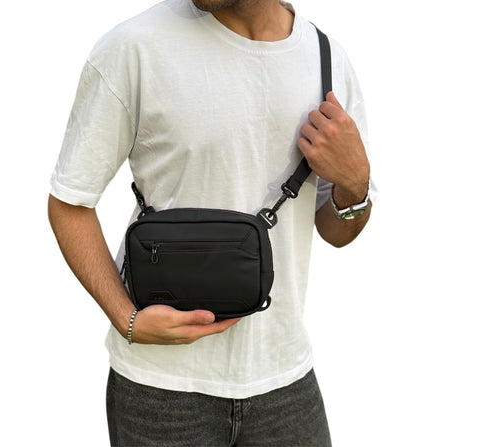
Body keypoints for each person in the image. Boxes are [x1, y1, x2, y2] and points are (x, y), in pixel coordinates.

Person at [48, 0, 376, 445]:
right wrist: (126, 318)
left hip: (286, 381)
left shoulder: (327, 61)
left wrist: (355, 184)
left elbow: (337, 232)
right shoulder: (134, 46)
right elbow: (70, 203)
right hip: (161, 390)